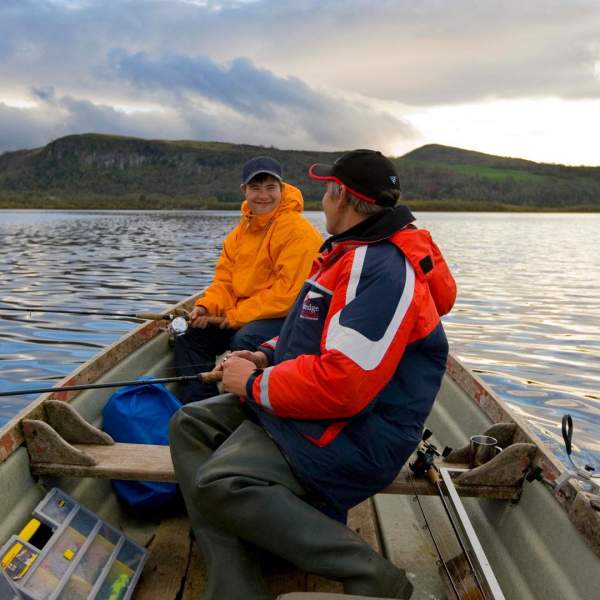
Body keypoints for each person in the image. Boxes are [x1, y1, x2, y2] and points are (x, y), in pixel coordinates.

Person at [169, 149, 457, 599]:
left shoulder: (381, 270)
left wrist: (252, 384)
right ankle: (236, 584)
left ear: (341, 197)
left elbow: (343, 386)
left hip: (359, 434)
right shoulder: (346, 253)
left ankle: (375, 579)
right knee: (189, 424)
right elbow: (303, 334)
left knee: (218, 482)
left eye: (326, 191)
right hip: (322, 411)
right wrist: (262, 358)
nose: (321, 200)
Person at [174, 156, 322, 403]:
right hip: (245, 314)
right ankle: (200, 406)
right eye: (255, 188)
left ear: (282, 189)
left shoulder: (299, 233)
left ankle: (251, 404)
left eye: (270, 188)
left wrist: (234, 318)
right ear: (244, 191)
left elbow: (288, 296)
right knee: (190, 337)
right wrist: (206, 307)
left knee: (245, 339)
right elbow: (225, 283)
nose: (263, 195)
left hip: (291, 318)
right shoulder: (238, 235)